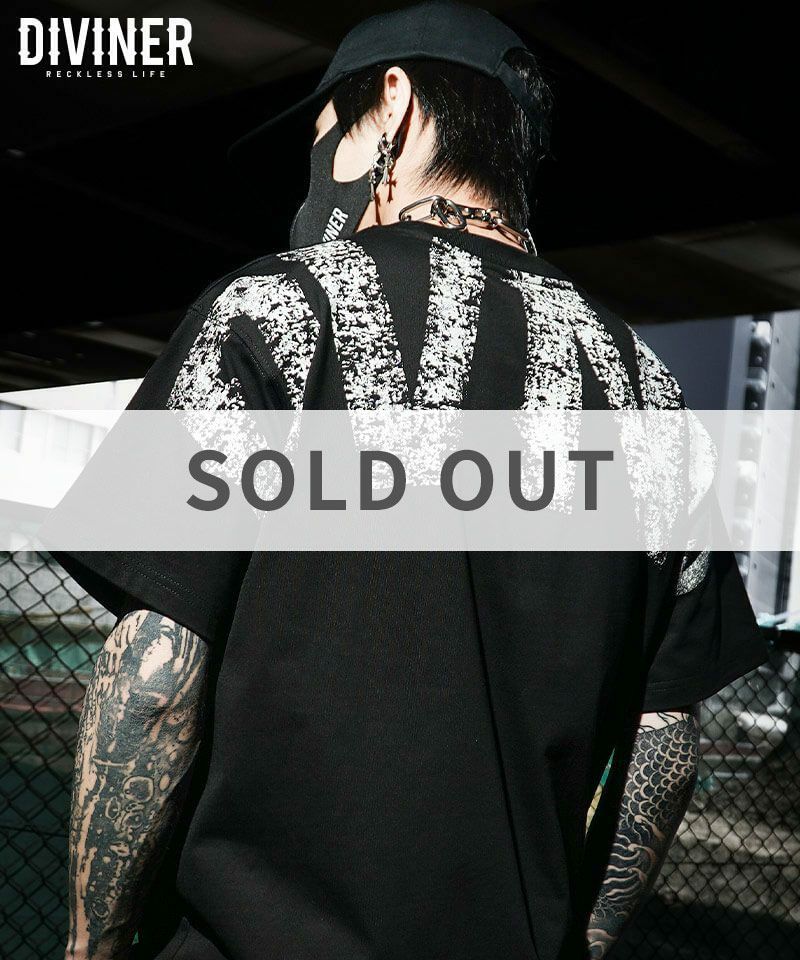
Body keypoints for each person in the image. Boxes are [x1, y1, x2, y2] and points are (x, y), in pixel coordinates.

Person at [53, 3, 770, 959]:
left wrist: (91, 948)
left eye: (327, 135)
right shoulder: (652, 394)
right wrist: (579, 943)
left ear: (392, 103)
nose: (318, 172)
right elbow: (662, 748)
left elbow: (154, 682)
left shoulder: (274, 311)